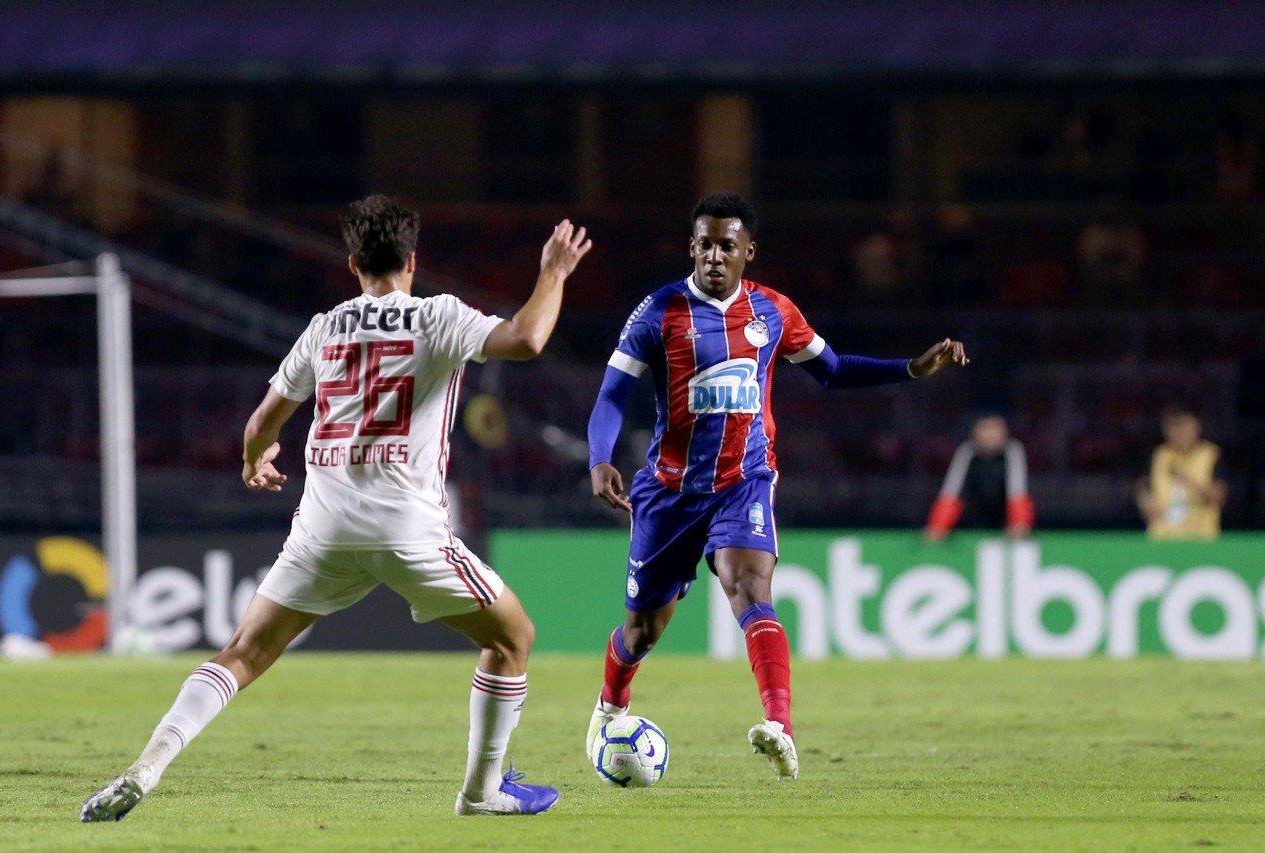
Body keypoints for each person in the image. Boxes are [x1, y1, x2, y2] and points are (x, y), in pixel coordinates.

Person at [80, 196, 592, 821]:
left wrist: (252, 460)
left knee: (240, 653)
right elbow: (527, 338)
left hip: (323, 525)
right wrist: (555, 272)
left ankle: (146, 766)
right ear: (412, 259)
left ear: (352, 264)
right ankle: (482, 792)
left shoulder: (324, 327)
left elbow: (263, 422)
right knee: (513, 639)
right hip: (407, 526)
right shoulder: (436, 317)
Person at [584, 192, 968, 781]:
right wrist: (599, 457)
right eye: (704, 244)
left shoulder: (773, 313)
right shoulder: (658, 313)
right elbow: (613, 393)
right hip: (670, 490)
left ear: (748, 253)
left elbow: (833, 370)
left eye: (726, 246)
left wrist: (909, 370)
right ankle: (610, 705)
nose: (714, 256)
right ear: (692, 247)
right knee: (642, 630)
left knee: (749, 585)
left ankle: (780, 726)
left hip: (744, 481)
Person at [925, 415, 1033, 540]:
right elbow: (951, 493)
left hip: (1003, 523)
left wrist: (1019, 524)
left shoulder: (1013, 451)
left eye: (996, 429)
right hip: (971, 522)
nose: (992, 435)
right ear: (975, 432)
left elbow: (1018, 493)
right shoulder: (966, 452)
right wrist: (938, 526)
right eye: (986, 429)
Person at [1136, 408, 1226, 540]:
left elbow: (1218, 497)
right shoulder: (1159, 454)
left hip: (1201, 538)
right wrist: (1145, 502)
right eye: (1173, 427)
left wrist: (1187, 479)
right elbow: (1143, 484)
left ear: (1196, 427)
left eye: (1183, 427)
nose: (1178, 433)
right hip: (1162, 537)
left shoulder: (1211, 454)